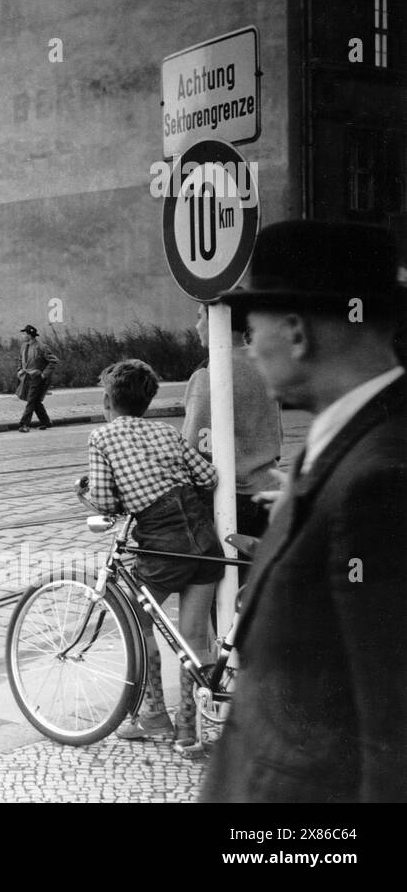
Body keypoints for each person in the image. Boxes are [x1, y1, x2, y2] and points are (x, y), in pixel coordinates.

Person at [202, 221, 407, 803]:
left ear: (295, 331)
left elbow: (395, 737)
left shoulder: (380, 481)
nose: (247, 345)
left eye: (250, 327)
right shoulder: (355, 441)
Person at [86, 358, 221, 749]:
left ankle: (154, 715)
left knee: (135, 622)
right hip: (203, 539)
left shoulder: (102, 438)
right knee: (194, 637)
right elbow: (208, 477)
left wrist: (88, 495)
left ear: (107, 401)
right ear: (148, 401)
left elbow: (106, 503)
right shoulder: (166, 431)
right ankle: (187, 730)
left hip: (162, 546)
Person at [181, 302, 283, 550]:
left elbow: (194, 445)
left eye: (200, 317)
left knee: (217, 577)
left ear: (217, 319)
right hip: (268, 490)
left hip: (226, 498)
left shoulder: (209, 372)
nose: (197, 326)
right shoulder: (267, 364)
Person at [15, 324, 58, 431]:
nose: (23, 335)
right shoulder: (24, 346)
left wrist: (44, 374)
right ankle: (46, 422)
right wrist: (19, 369)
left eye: (25, 333)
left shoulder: (41, 347)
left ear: (30, 335)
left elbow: (53, 361)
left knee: (31, 400)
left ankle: (24, 424)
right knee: (36, 401)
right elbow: (20, 359)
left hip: (38, 377)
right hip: (27, 377)